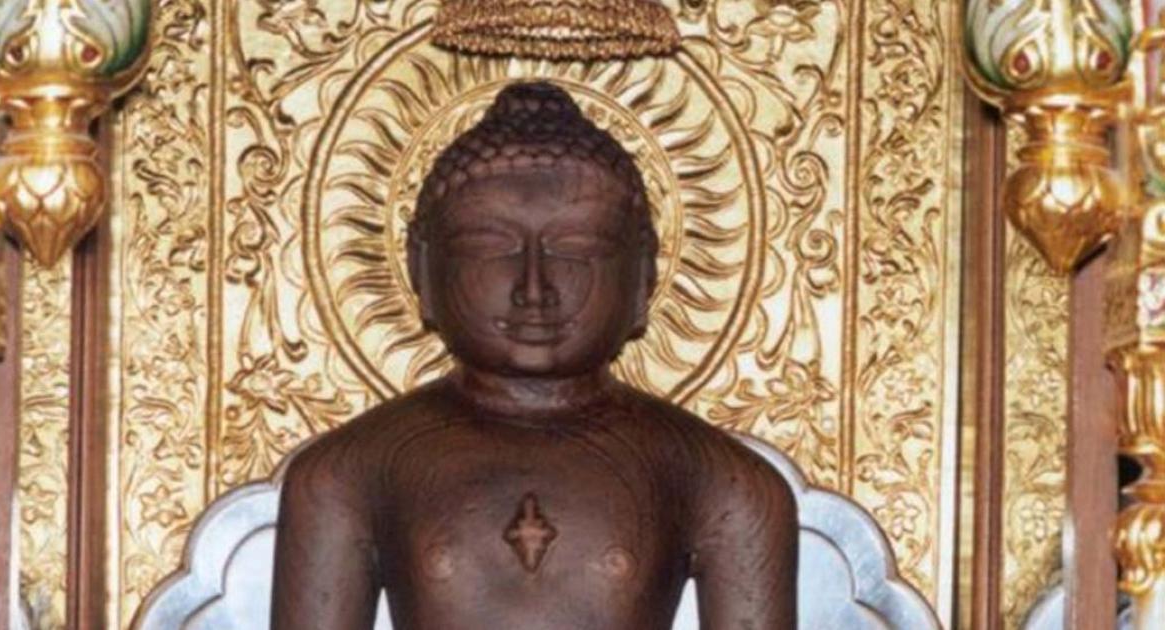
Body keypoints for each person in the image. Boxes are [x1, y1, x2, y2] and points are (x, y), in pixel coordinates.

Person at [270, 81, 798, 630]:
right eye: (489, 248)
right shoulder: (347, 473)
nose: (534, 288)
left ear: (643, 274)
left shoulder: (720, 478)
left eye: (577, 251)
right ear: (421, 267)